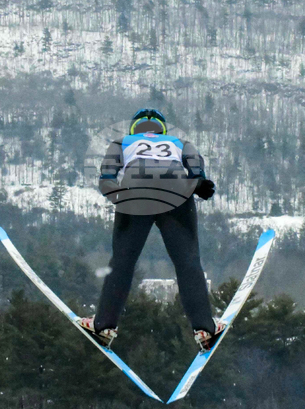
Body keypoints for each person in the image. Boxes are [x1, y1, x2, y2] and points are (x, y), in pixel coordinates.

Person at [79, 108, 223, 351]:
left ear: (134, 128)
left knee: (122, 262)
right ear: (163, 128)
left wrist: (118, 196)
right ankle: (204, 329)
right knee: (187, 261)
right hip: (176, 193)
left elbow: (106, 177)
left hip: (135, 192)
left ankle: (104, 326)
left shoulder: (122, 141)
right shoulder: (179, 142)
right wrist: (199, 182)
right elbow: (196, 167)